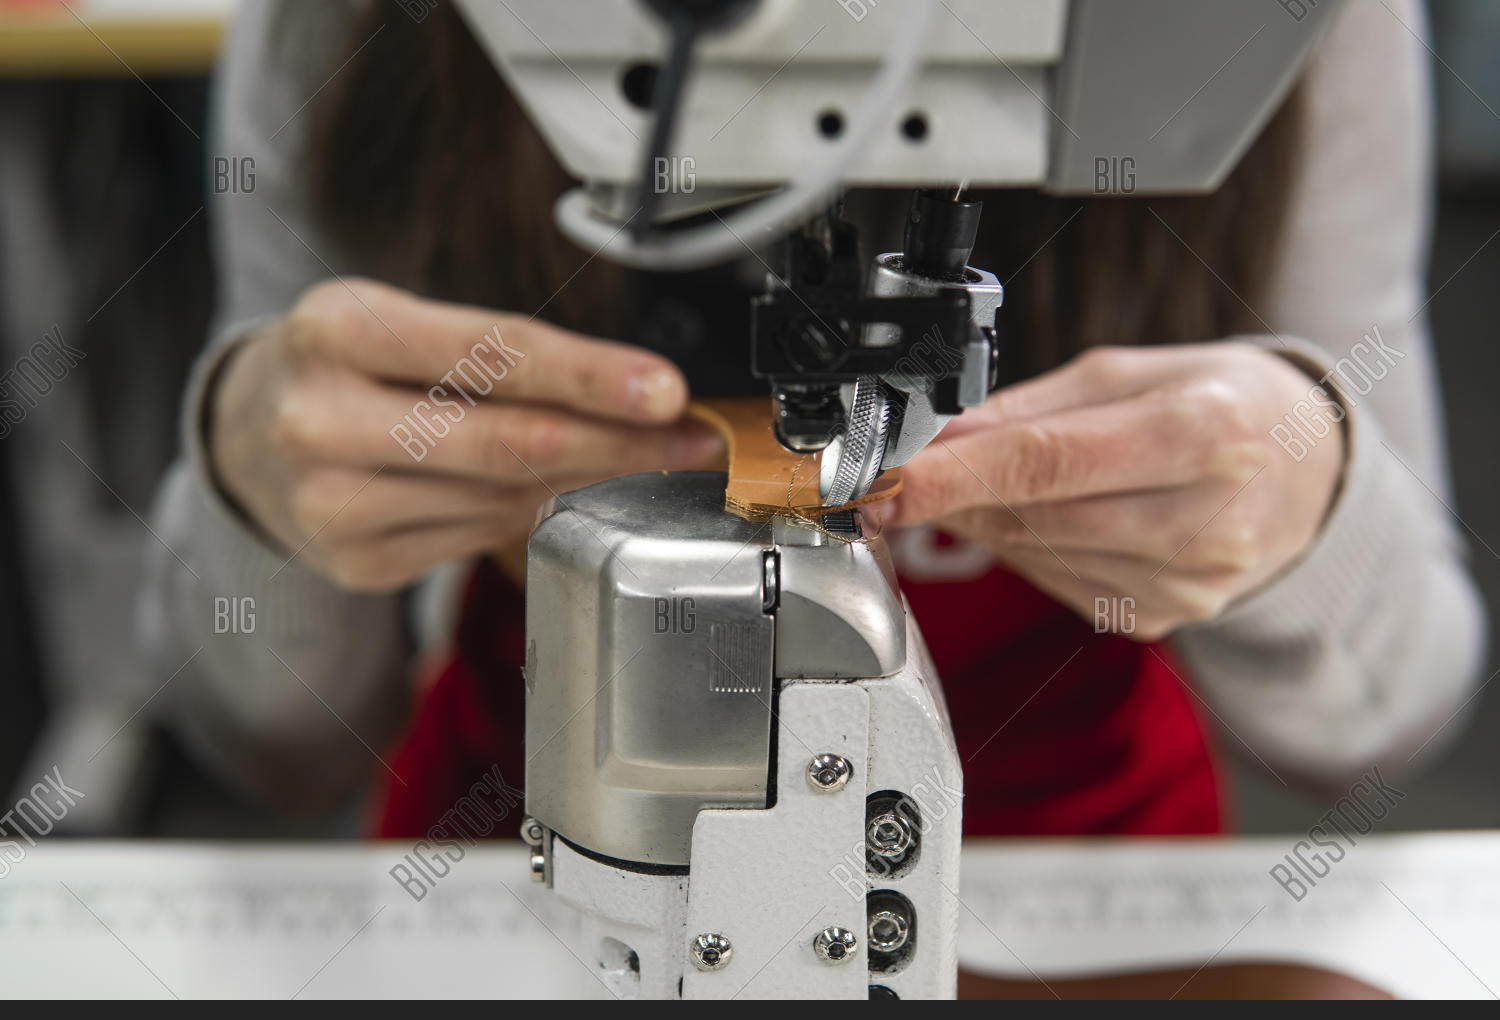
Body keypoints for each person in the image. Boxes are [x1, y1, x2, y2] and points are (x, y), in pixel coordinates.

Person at [142, 0, 1485, 838]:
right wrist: (257, 494)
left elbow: (1386, 726)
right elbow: (270, 744)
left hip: (1072, 869)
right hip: (528, 856)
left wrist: (1307, 490)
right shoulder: (349, 28)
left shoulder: (1289, 27)